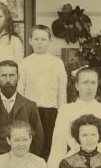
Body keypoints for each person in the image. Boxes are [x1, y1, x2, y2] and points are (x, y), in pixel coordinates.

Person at [0, 60, 44, 167]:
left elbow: (38, 140)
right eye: (3, 75)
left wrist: (28, 163)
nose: (8, 80)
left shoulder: (30, 106)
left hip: (23, 163)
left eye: (12, 75)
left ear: (18, 77)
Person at [18, 25, 67, 160]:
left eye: (43, 39)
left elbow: (62, 91)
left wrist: (62, 113)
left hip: (51, 111)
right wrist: (22, 112)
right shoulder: (24, 63)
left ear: (50, 41)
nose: (39, 42)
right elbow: (20, 90)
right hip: (31, 111)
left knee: (49, 144)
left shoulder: (57, 63)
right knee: (33, 143)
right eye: (36, 38)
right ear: (30, 41)